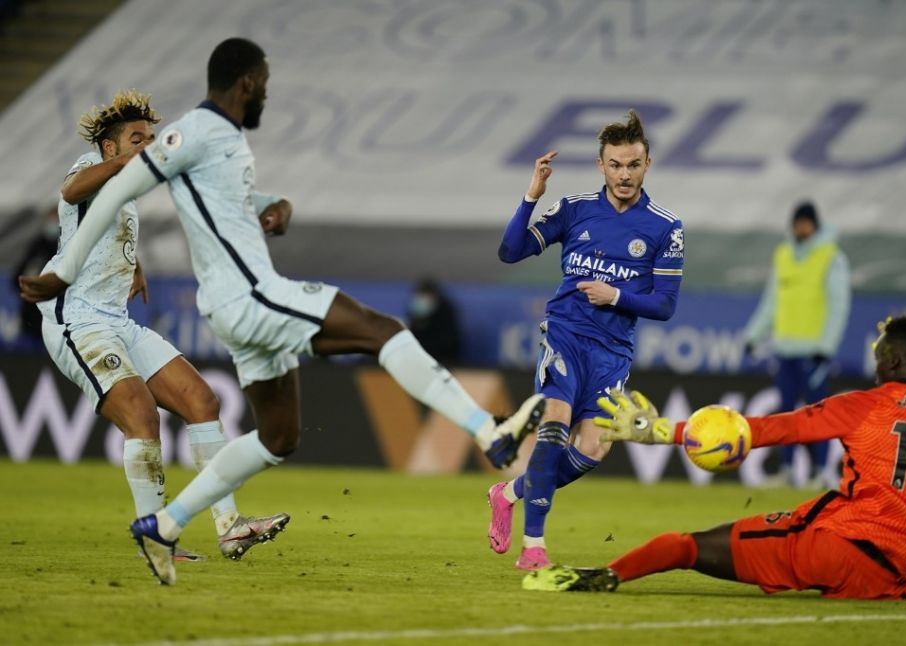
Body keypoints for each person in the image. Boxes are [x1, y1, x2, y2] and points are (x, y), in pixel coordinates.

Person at [19, 38, 545, 586]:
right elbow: (92, 190)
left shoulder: (224, 142)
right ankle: (490, 433)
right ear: (247, 82)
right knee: (378, 330)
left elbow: (213, 200)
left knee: (267, 432)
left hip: (171, 314)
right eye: (265, 81)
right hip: (207, 302)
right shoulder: (178, 137)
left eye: (148, 139)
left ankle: (170, 526)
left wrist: (272, 204)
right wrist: (63, 268)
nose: (147, 145)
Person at [526, 316, 906, 600]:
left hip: (837, 548)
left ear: (891, 360)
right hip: (896, 560)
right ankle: (902, 566)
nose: (874, 363)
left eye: (877, 355)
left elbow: (775, 429)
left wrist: (660, 431)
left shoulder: (865, 405)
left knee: (686, 545)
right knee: (858, 530)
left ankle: (601, 577)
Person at [33, 89, 288, 562]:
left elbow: (106, 231)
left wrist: (133, 265)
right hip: (79, 321)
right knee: (141, 417)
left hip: (118, 320)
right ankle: (155, 542)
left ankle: (230, 527)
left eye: (152, 138)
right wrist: (128, 164)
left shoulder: (126, 191)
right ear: (109, 148)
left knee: (201, 400)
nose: (149, 145)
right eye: (137, 138)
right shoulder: (88, 163)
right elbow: (71, 192)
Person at [490, 110, 685, 569]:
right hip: (566, 335)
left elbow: (664, 305)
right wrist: (530, 196)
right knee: (553, 429)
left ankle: (510, 492)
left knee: (593, 448)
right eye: (615, 164)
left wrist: (614, 294)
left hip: (612, 353)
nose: (623, 174)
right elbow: (510, 251)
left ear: (647, 165)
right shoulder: (575, 209)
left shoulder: (665, 227)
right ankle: (534, 548)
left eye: (632, 164)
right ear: (601, 165)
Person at [743, 201, 851, 488]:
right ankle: (788, 469)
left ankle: (820, 472)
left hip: (813, 350)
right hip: (785, 349)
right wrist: (754, 336)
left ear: (815, 225)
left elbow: (838, 306)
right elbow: (772, 302)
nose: (802, 228)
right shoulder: (784, 254)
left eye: (806, 223)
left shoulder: (831, 257)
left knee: (817, 415)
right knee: (786, 415)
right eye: (798, 223)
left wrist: (826, 347)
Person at [11, 204, 59, 350]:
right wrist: (28, 285)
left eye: (55, 220)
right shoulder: (36, 245)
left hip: (54, 321)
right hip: (30, 318)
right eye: (50, 219)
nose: (52, 224)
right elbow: (16, 278)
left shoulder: (67, 247)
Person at [407, 278, 461, 364]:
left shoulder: (445, 312)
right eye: (420, 295)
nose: (422, 299)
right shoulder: (414, 311)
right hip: (419, 358)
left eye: (426, 295)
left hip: (443, 359)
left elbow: (448, 342)